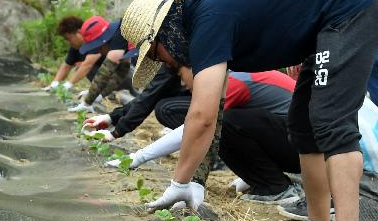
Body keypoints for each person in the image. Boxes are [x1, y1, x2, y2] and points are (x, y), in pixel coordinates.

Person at [121, 0, 378, 221]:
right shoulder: (202, 21)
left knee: (330, 120)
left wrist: (178, 181)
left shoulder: (208, 22)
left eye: (155, 54)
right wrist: (193, 179)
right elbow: (213, 111)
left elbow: (202, 115)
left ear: (165, 34)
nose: (164, 62)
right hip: (323, 27)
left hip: (349, 10)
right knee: (302, 125)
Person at [101, 69, 303, 204]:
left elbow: (195, 129)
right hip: (290, 141)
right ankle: (268, 183)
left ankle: (278, 188)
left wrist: (138, 158)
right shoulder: (227, 76)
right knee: (222, 123)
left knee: (224, 121)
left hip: (302, 147)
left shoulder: (231, 83)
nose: (182, 82)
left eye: (182, 74)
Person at [67, 16, 133, 112]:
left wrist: (87, 102)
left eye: (99, 48)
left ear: (103, 40)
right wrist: (100, 95)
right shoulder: (121, 40)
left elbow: (104, 73)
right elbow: (121, 72)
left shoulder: (118, 36)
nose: (100, 52)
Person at [42, 16, 102, 91]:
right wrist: (54, 84)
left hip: (117, 74)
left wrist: (69, 84)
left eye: (69, 39)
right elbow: (66, 65)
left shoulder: (95, 38)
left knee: (86, 67)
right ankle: (101, 91)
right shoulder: (76, 47)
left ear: (79, 32)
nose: (68, 43)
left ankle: (104, 91)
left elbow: (88, 65)